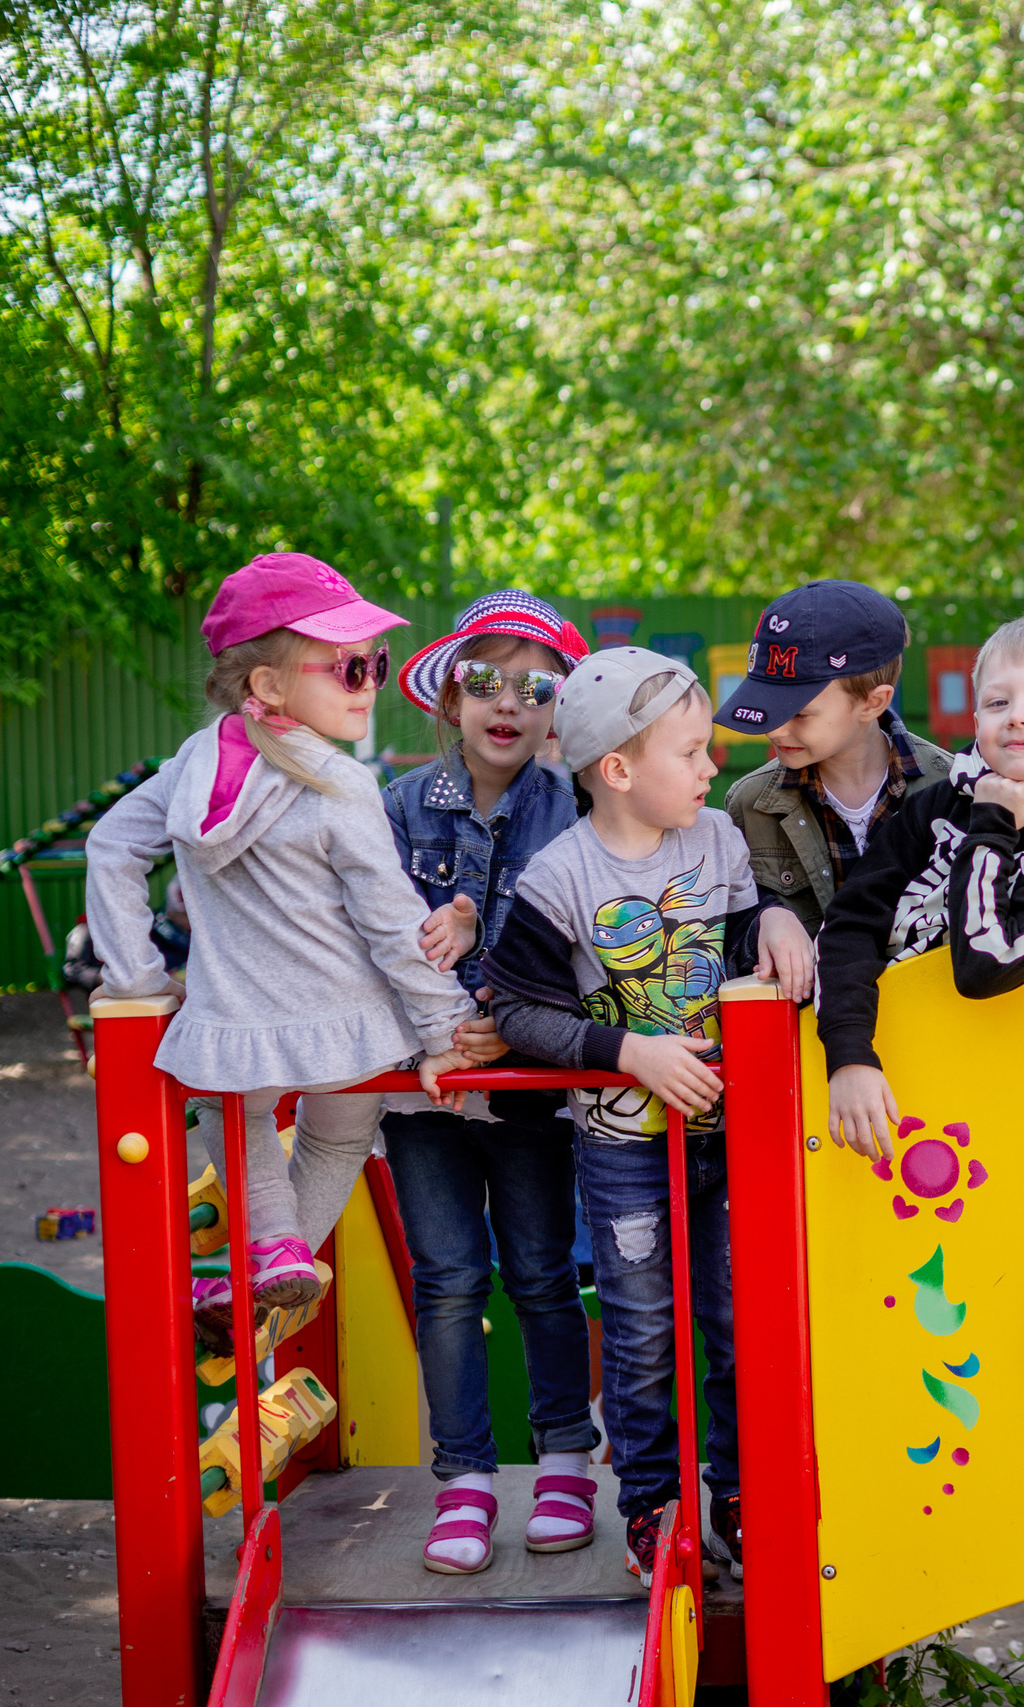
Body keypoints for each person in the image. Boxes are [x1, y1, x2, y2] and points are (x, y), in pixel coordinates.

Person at [84, 555, 475, 1355]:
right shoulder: (339, 782)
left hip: (235, 1030)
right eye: (347, 666)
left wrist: (136, 980)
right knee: (336, 1135)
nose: (368, 681)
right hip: (349, 1027)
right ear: (265, 685)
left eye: (377, 663)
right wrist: (445, 1031)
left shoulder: (191, 768)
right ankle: (276, 1262)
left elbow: (111, 845)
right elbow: (392, 921)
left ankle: (268, 1253)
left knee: (237, 1117)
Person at [481, 648, 809, 1586]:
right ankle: (653, 1509)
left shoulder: (716, 844)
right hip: (625, 1149)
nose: (714, 770)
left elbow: (742, 930)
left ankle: (738, 1495)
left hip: (729, 1139)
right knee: (637, 1329)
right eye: (694, 752)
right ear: (619, 770)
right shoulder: (561, 876)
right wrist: (630, 1052)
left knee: (736, 1320)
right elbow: (518, 1009)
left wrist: (776, 922)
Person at [380, 591, 600, 1574]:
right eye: (484, 682)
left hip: (531, 1088)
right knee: (447, 1279)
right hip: (424, 1089)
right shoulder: (395, 811)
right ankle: (464, 1479)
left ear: (557, 710)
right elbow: (369, 936)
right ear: (449, 700)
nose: (506, 701)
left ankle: (563, 1459)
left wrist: (497, 991)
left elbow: (590, 938)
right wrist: (433, 1027)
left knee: (546, 1273)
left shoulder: (579, 808)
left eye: (533, 686)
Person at [817, 606, 1024, 1157]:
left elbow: (986, 965)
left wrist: (992, 826)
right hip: (880, 1083)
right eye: (997, 702)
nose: (1017, 716)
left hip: (997, 1097)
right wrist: (849, 1056)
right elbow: (850, 922)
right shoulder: (936, 806)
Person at [716, 580, 956, 999]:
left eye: (801, 714)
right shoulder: (748, 805)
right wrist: (764, 918)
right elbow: (729, 936)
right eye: (768, 706)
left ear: (872, 702)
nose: (775, 728)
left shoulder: (954, 790)